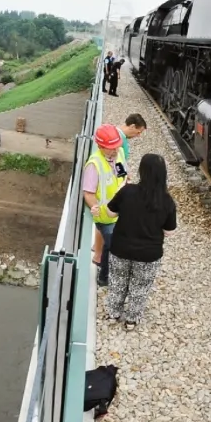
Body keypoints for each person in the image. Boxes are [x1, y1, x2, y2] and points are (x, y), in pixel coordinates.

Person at [103, 153, 177, 330]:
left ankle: (113, 314)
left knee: (117, 282)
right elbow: (169, 232)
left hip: (121, 248)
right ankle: (131, 320)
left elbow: (110, 213)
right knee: (140, 287)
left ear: (141, 171)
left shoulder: (128, 191)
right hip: (148, 254)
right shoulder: (167, 201)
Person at [82, 123, 128, 287]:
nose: (115, 151)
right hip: (105, 215)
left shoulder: (120, 153)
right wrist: (95, 207)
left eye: (116, 146)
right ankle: (104, 278)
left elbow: (123, 175)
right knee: (114, 245)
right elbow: (88, 193)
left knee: (113, 245)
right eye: (110, 148)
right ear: (100, 146)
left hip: (120, 212)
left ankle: (104, 270)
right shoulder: (94, 165)